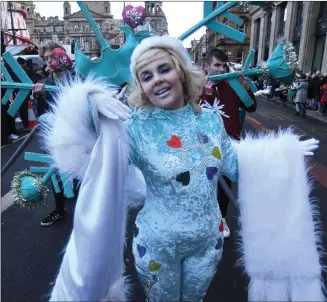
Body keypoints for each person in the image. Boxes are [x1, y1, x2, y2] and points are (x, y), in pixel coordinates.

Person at [40, 35, 323, 302]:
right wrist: (89, 103)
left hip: (207, 244)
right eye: (146, 76)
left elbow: (237, 166)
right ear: (141, 86)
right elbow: (94, 156)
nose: (158, 80)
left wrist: (283, 154)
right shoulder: (135, 128)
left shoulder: (211, 122)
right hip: (156, 245)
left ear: (181, 72)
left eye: (164, 69)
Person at [200, 48, 257, 238]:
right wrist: (207, 95)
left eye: (224, 65)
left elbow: (251, 107)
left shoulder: (232, 84)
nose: (222, 69)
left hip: (230, 145)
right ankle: (205, 220)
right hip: (204, 147)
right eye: (217, 65)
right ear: (206, 66)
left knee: (225, 185)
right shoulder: (196, 86)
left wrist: (245, 88)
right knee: (205, 185)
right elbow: (197, 117)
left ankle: (221, 219)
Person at [32, 42, 74, 227]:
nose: (50, 60)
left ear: (62, 55)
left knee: (84, 174)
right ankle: (60, 210)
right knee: (56, 172)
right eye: (47, 58)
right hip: (56, 136)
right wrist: (39, 96)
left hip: (79, 136)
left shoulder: (77, 77)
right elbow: (40, 114)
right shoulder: (44, 83)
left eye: (52, 56)